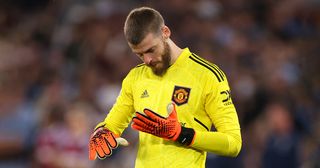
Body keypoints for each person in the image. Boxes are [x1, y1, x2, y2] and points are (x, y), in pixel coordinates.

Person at [89, 6, 242, 167]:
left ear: (165, 32)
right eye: (140, 54)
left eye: (151, 50)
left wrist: (182, 134)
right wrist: (101, 132)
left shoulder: (207, 76)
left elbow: (233, 143)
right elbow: (112, 125)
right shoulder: (135, 77)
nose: (147, 60)